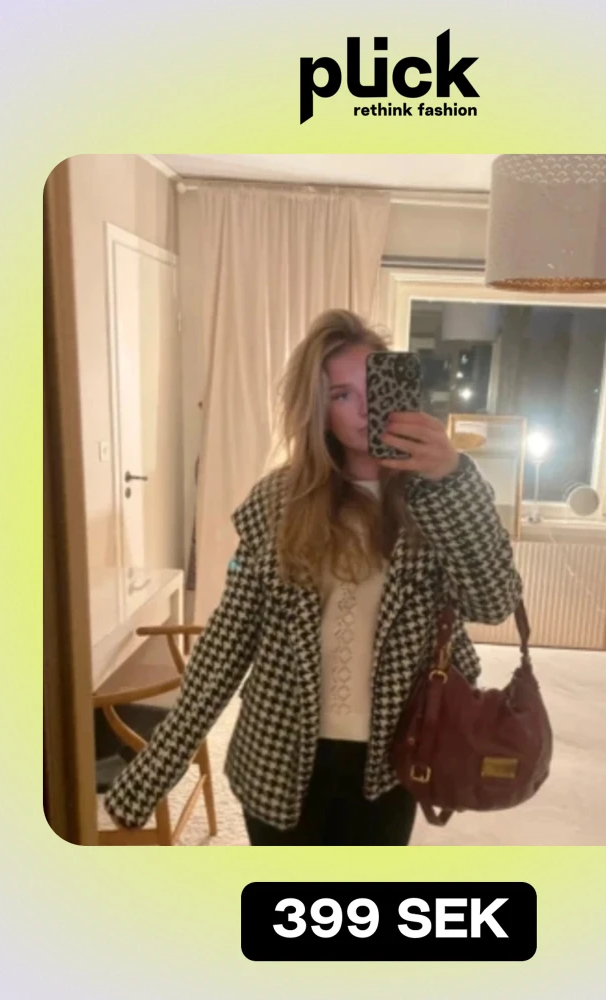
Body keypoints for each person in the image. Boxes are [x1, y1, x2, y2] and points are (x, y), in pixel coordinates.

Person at [103, 308, 523, 845]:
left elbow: (492, 603)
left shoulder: (438, 497)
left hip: (394, 757)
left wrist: (451, 479)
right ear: (320, 412)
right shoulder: (279, 502)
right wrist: (153, 772)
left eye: (372, 385)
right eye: (342, 395)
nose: (364, 406)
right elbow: (228, 643)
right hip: (277, 757)